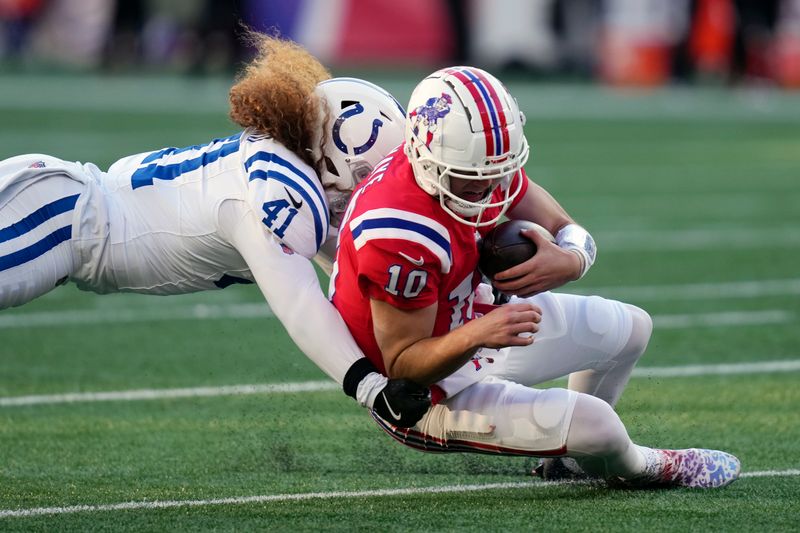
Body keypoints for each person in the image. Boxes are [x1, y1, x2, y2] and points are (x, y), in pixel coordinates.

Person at [330, 65, 741, 488]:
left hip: (472, 319)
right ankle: (645, 468)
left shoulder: (473, 164)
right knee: (599, 425)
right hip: (424, 396)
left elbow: (559, 222)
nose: (490, 186)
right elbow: (403, 365)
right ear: (425, 156)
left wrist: (574, 257)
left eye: (497, 170)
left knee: (630, 328)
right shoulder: (399, 230)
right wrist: (478, 333)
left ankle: (570, 464)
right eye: (475, 178)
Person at [0, 34, 430, 427]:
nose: (379, 191)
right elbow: (300, 303)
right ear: (338, 162)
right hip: (59, 220)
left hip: (59, 207)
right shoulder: (277, 193)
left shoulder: (289, 169)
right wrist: (369, 388)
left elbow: (359, 267)